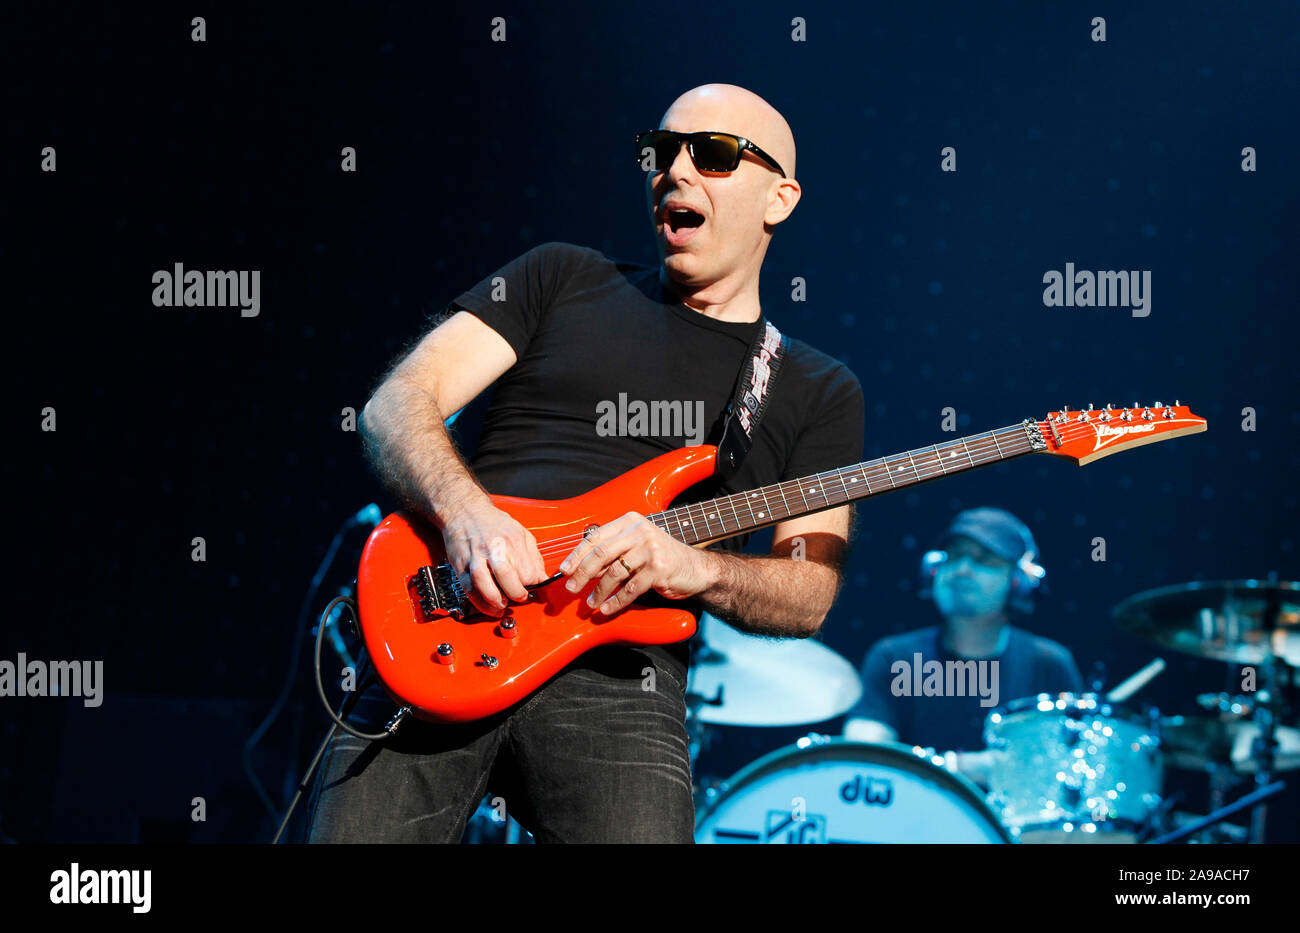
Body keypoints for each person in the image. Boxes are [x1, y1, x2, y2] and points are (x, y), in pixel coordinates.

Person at [305, 84, 865, 843]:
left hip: (621, 680)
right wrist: (466, 515)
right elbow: (399, 401)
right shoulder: (561, 277)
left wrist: (698, 569)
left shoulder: (815, 386)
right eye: (661, 152)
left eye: (713, 154)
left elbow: (808, 590)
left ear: (780, 199)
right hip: (446, 620)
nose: (675, 171)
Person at [842, 508, 1083, 786]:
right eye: (955, 556)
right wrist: (962, 767)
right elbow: (861, 757)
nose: (963, 569)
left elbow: (1069, 765)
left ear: (1018, 583)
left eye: (984, 560)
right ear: (932, 572)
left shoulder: (1049, 664)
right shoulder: (893, 657)